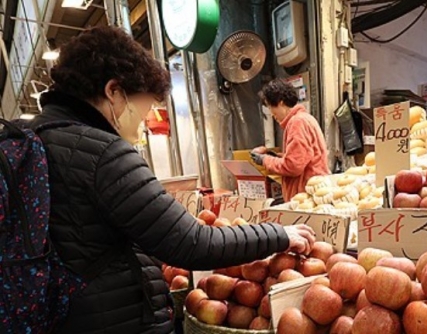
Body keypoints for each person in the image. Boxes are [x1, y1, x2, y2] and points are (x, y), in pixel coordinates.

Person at [29, 26, 316, 334]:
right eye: (146, 106)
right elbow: (192, 243)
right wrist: (278, 234)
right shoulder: (101, 154)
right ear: (114, 91)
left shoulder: (37, 139)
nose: (146, 119)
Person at [252, 79, 330, 202]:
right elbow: (302, 157)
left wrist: (265, 160)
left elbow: (293, 166)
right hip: (312, 194)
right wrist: (273, 156)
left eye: (271, 107)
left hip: (306, 198)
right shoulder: (305, 118)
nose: (272, 114)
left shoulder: (297, 122)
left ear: (281, 102)